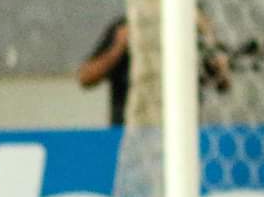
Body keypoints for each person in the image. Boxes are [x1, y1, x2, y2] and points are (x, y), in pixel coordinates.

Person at [77, 11, 231, 126]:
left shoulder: (190, 28)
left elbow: (223, 84)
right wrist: (118, 48)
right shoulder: (128, 26)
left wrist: (210, 41)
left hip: (181, 128)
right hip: (131, 128)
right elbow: (85, 78)